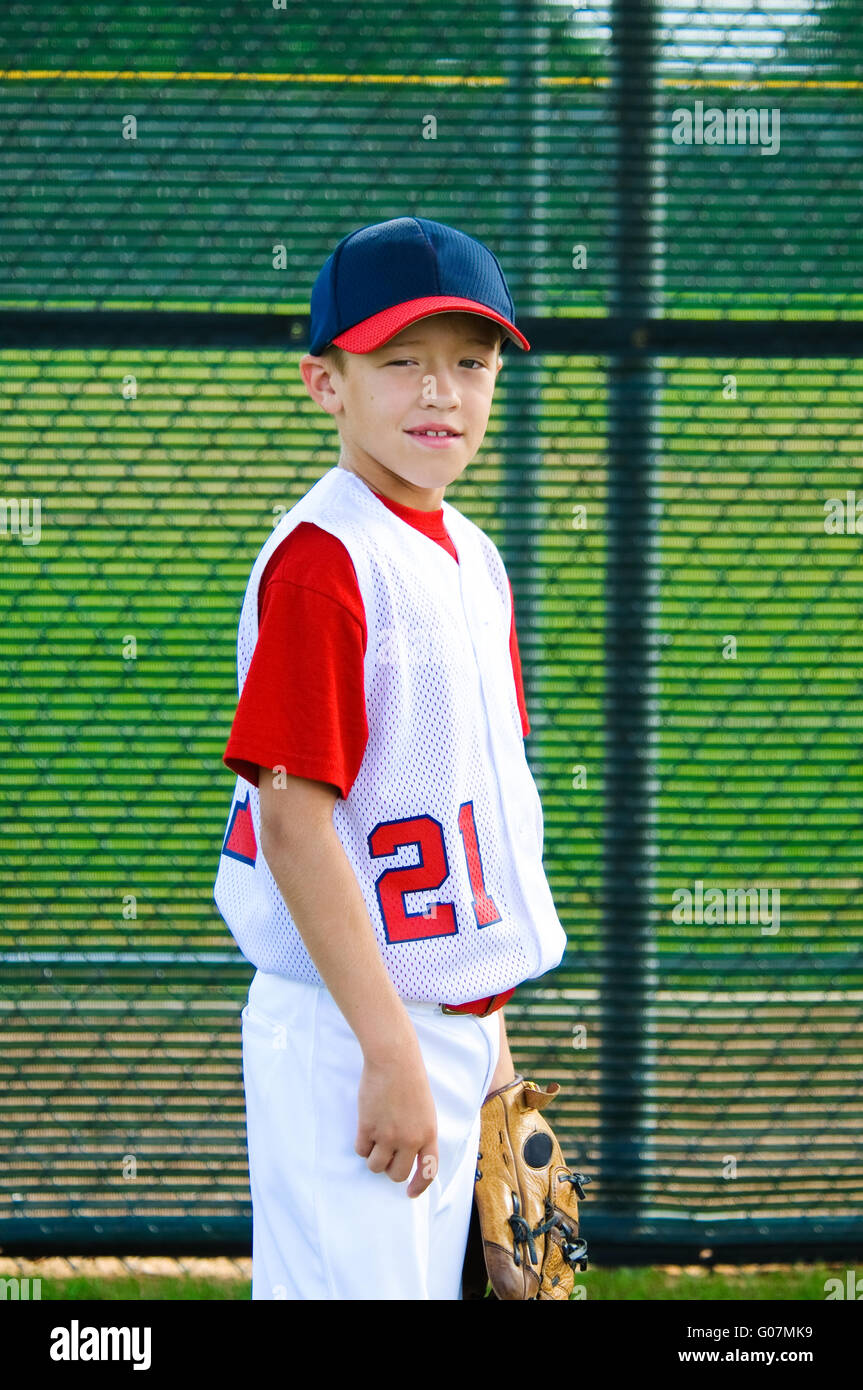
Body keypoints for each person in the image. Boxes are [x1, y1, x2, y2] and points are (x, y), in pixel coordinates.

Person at [213, 215, 567, 1300]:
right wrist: (389, 1053)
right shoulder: (327, 565)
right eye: (398, 361)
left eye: (469, 362)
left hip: (444, 1030)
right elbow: (292, 820)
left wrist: (493, 1061)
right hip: (345, 1029)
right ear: (326, 383)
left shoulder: (471, 558)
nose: (438, 393)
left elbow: (466, 834)